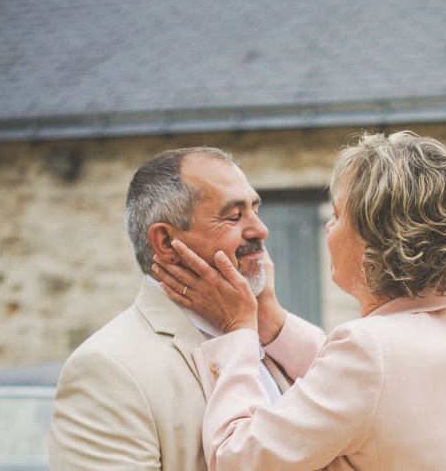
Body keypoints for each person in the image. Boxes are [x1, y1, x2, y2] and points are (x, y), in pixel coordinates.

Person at [154, 131, 446, 470]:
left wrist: (237, 332)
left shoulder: (369, 352)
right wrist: (272, 320)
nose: (328, 227)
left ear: (378, 239)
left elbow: (238, 458)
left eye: (338, 215)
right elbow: (376, 393)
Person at [49, 147, 293, 470]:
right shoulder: (107, 370)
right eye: (234, 216)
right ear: (165, 243)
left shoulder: (267, 339)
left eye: (255, 209)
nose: (260, 229)